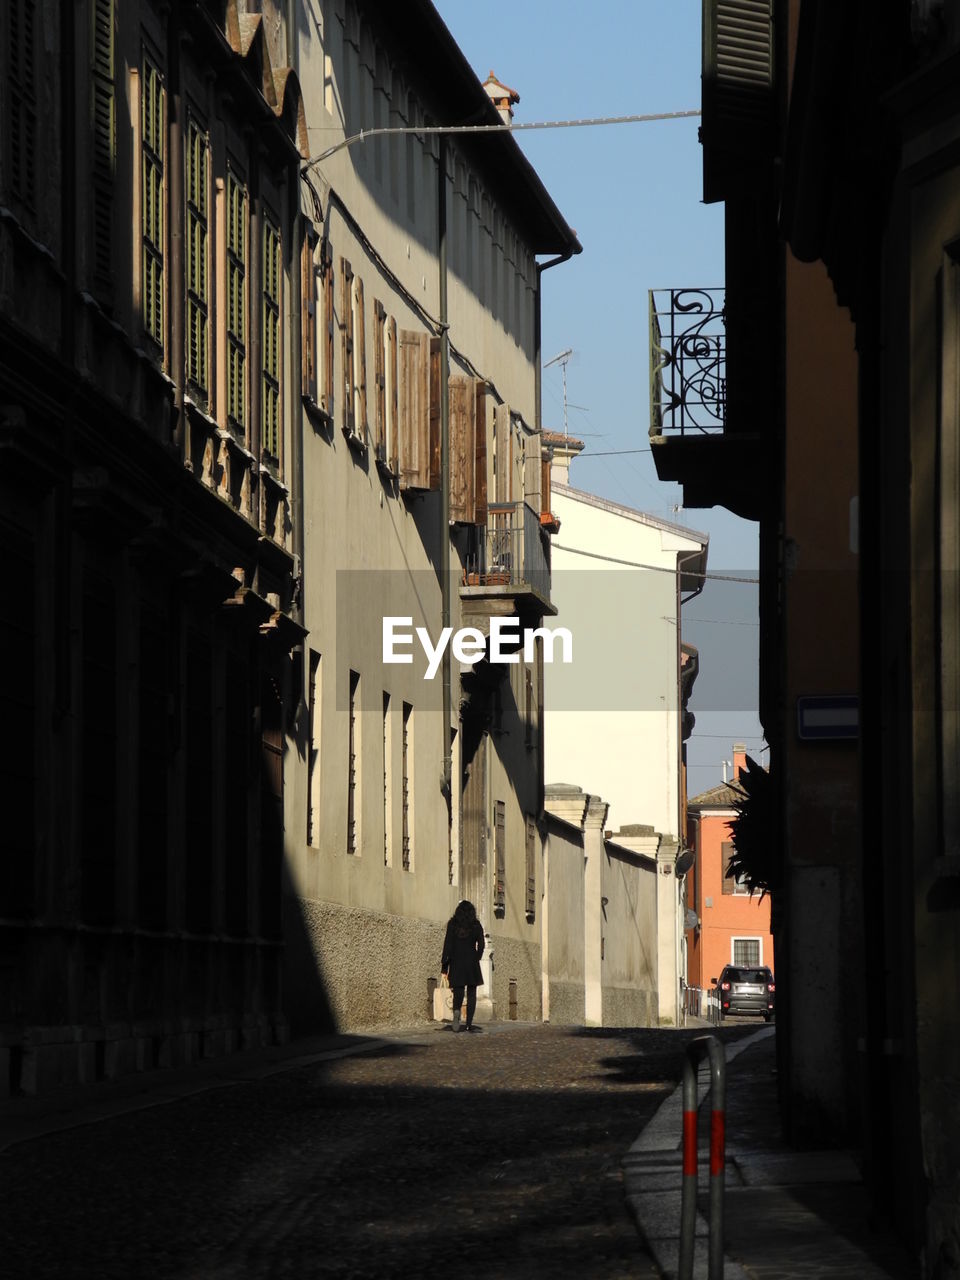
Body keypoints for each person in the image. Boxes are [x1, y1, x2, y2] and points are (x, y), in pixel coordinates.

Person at [441, 900, 485, 1032]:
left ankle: (456, 1011)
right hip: (471, 962)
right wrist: (477, 957)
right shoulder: (476, 925)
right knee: (471, 993)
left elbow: (447, 945)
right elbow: (482, 945)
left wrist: (444, 966)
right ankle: (469, 1023)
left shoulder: (452, 924)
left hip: (456, 961)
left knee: (458, 991)